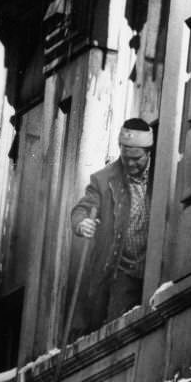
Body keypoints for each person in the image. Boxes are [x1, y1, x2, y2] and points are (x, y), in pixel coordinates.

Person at [71, 118, 153, 325]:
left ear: (148, 152)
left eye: (137, 158)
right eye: (126, 158)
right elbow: (83, 208)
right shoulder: (103, 179)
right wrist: (81, 223)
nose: (131, 164)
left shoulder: (163, 172)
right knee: (118, 327)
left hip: (156, 266)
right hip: (123, 270)